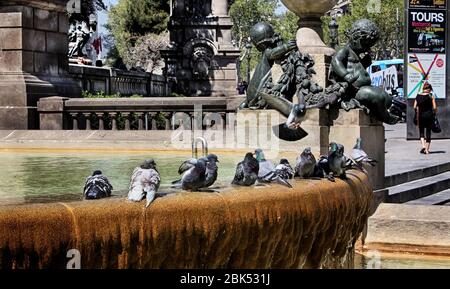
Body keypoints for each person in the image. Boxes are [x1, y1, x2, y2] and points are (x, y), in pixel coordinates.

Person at [414, 82, 437, 154]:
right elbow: (435, 107)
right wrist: (434, 112)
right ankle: (427, 150)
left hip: (420, 116)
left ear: (423, 89)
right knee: (428, 132)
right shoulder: (431, 95)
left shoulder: (418, 96)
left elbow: (414, 106)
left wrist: (418, 110)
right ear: (429, 89)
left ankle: (423, 146)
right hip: (429, 116)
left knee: (421, 132)